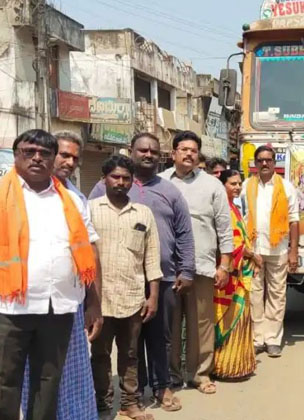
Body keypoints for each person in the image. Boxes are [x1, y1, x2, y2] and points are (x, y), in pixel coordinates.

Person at [89, 133, 196, 411]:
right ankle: (118, 398)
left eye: (153, 151)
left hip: (162, 278)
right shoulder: (99, 195)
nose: (148, 154)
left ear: (160, 155)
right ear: (132, 151)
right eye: (142, 150)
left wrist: (186, 269)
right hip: (111, 285)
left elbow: (184, 234)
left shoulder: (169, 191)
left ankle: (162, 389)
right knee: (118, 348)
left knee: (160, 338)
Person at [0, 129, 98, 420]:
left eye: (44, 153)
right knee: (5, 382)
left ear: (53, 159)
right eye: (29, 152)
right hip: (10, 307)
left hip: (59, 307)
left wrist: (94, 302)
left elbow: (88, 251)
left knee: (48, 381)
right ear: (17, 156)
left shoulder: (72, 200)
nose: (37, 158)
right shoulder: (2, 195)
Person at [160, 131, 233, 394]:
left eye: (194, 150)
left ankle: (200, 374)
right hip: (167, 267)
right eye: (184, 149)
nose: (189, 154)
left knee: (201, 322)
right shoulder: (160, 183)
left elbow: (225, 228)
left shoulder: (212, 185)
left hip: (202, 266)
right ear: (174, 153)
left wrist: (224, 265)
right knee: (169, 322)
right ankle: (171, 374)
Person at [89, 155, 162, 420]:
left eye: (126, 178)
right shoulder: (90, 210)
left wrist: (152, 296)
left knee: (131, 354)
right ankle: (102, 403)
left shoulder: (143, 213)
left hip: (132, 297)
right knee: (99, 354)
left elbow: (152, 257)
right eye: (115, 177)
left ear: (132, 182)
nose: (120, 182)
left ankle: (130, 403)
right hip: (99, 299)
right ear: (104, 178)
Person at [241, 145, 300, 358]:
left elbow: (294, 220)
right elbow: (240, 216)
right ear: (255, 164)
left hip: (279, 249)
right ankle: (257, 339)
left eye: (268, 160)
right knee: (255, 295)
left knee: (277, 294)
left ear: (275, 163)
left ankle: (273, 339)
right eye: (260, 160)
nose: (264, 163)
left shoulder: (286, 187)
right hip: (253, 249)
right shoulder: (246, 186)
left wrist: (293, 252)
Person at [212, 169, 257, 379]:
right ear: (222, 185)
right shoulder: (223, 209)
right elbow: (231, 243)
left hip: (239, 275)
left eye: (239, 183)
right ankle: (224, 366)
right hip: (230, 274)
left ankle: (237, 364)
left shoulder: (234, 208)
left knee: (240, 317)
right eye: (232, 183)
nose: (237, 187)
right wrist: (251, 254)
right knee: (228, 317)